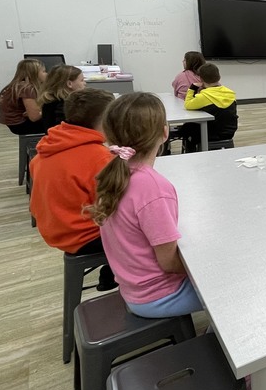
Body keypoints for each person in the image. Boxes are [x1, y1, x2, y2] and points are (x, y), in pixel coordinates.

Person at [87, 92, 203, 317]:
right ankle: (221, 345)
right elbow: (169, 263)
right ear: (164, 132)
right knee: (237, 286)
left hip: (134, 289)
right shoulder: (153, 187)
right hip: (161, 296)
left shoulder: (115, 173)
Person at [29, 88, 117, 290]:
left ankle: (111, 269)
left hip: (54, 227)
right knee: (143, 228)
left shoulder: (51, 144)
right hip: (83, 234)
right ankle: (118, 275)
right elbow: (115, 204)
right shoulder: (98, 157)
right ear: (107, 120)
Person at [182, 62, 238, 152]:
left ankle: (191, 153)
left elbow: (187, 104)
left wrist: (192, 88)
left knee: (187, 128)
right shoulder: (230, 93)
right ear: (219, 77)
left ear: (201, 79)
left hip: (208, 134)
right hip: (229, 132)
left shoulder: (204, 97)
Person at [0, 58, 47, 135]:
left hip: (14, 124)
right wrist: (45, 111)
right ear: (34, 74)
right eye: (44, 71)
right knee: (60, 120)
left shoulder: (15, 85)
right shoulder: (27, 88)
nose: (46, 74)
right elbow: (34, 117)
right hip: (21, 126)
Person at [38, 64, 85, 129]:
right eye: (82, 80)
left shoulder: (50, 100)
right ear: (69, 84)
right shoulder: (64, 105)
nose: (85, 83)